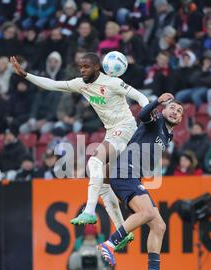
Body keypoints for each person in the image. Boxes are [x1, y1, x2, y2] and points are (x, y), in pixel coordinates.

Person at [10, 53, 149, 232]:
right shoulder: (81, 84)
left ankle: (90, 211)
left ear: (97, 67)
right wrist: (26, 75)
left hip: (126, 128)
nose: (82, 70)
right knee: (104, 183)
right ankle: (122, 230)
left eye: (86, 67)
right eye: (81, 67)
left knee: (94, 162)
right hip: (111, 132)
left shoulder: (113, 83)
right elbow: (53, 85)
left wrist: (147, 112)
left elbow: (140, 97)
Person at [98, 93, 183, 270]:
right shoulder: (156, 121)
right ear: (163, 110)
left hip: (132, 176)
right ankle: (109, 245)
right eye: (172, 107)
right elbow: (143, 114)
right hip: (124, 171)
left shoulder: (167, 135)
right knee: (146, 213)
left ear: (180, 120)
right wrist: (157, 101)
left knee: (159, 226)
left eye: (179, 111)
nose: (175, 111)